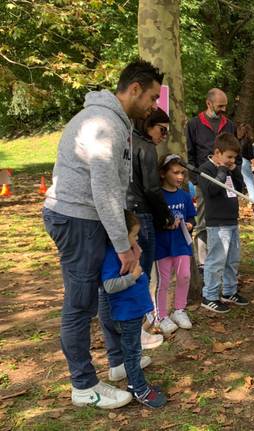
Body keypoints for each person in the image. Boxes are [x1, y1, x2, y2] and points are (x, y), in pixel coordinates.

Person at [42, 59, 163, 409]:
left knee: (103, 295)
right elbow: (105, 192)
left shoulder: (116, 121)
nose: (155, 105)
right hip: (76, 218)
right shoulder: (104, 124)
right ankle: (83, 385)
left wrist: (124, 238)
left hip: (92, 218)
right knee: (80, 305)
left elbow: (112, 191)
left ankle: (118, 362)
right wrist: (125, 246)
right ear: (135, 89)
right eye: (152, 97)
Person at [101, 211, 167, 408]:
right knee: (133, 352)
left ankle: (134, 384)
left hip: (133, 311)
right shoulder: (112, 256)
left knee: (133, 350)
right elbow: (109, 286)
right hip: (126, 313)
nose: (137, 238)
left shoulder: (127, 251)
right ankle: (139, 388)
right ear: (120, 234)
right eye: (134, 234)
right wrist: (134, 276)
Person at [128, 108, 175, 350]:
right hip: (142, 214)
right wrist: (165, 215)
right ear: (149, 125)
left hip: (129, 213)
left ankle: (135, 330)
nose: (164, 135)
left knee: (135, 273)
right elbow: (152, 189)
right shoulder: (145, 148)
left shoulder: (128, 142)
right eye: (162, 130)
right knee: (142, 274)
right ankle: (139, 332)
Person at [186, 88, 236, 276]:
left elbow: (234, 149)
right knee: (203, 220)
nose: (223, 109)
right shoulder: (194, 124)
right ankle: (203, 261)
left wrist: (233, 169)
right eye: (220, 106)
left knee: (224, 217)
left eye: (225, 106)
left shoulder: (229, 124)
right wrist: (196, 179)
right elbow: (189, 151)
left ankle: (223, 258)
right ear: (209, 104)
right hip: (204, 178)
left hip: (226, 178)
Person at [199, 133, 249, 313]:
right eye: (229, 157)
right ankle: (210, 295)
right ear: (217, 153)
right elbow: (211, 191)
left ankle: (229, 291)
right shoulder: (206, 169)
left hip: (231, 220)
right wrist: (221, 170)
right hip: (218, 223)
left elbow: (239, 187)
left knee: (232, 259)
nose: (231, 160)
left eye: (234, 157)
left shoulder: (229, 169)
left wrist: (234, 171)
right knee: (216, 260)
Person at [154, 154, 197, 334]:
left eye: (183, 173)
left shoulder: (185, 196)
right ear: (163, 173)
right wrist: (165, 223)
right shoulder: (157, 196)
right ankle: (161, 316)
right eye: (176, 173)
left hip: (181, 244)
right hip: (162, 246)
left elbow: (191, 217)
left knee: (184, 276)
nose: (180, 177)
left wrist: (189, 224)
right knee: (163, 281)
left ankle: (179, 310)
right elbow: (153, 219)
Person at [237, 123, 254, 202]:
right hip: (245, 162)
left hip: (237, 162)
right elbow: (251, 156)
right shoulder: (247, 141)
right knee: (250, 182)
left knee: (245, 180)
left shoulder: (237, 140)